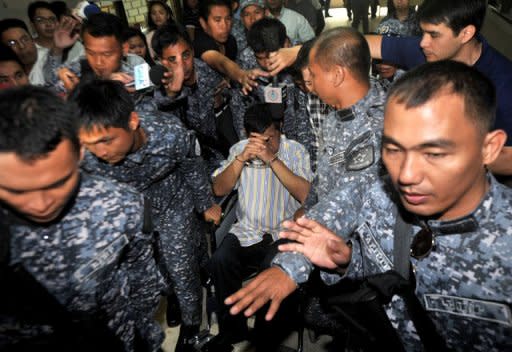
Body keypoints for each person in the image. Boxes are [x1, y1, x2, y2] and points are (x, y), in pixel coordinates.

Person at [226, 60, 512, 351]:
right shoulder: (377, 192)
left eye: (434, 153)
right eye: (393, 149)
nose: (407, 174)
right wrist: (345, 262)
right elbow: (337, 228)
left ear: (488, 148)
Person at [0, 86, 165, 351]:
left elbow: (143, 281)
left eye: (59, 182)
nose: (41, 204)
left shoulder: (122, 207)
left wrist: (144, 336)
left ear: (79, 153)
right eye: (17, 190)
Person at [70, 79, 221, 352]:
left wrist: (205, 203)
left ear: (132, 121)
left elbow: (192, 165)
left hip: (174, 202)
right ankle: (172, 295)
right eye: (90, 144)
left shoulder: (170, 132)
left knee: (181, 268)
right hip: (134, 215)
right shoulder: (88, 159)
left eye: (106, 140)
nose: (100, 152)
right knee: (156, 275)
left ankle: (190, 326)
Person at [206, 103, 312, 351]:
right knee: (220, 260)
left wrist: (272, 158)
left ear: (280, 129)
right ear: (246, 135)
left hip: (282, 231)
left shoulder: (295, 151)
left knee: (270, 270)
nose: (264, 145)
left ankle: (264, 340)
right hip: (248, 230)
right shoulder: (239, 150)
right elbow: (218, 189)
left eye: (270, 139)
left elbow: (307, 195)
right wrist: (241, 159)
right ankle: (233, 331)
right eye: (257, 140)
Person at [365, 0, 512, 177]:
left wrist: (443, 157)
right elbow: (366, 44)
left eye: (433, 35)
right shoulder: (429, 50)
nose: (423, 43)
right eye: (423, 33)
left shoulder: (504, 84)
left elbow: (508, 159)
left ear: (466, 33)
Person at [302, 27, 386, 210]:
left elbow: (352, 201)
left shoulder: (376, 127)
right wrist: (307, 206)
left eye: (314, 75)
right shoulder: (335, 118)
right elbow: (324, 174)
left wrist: (307, 225)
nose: (311, 84)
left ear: (337, 75)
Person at [148, 23, 235, 172]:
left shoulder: (209, 71)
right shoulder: (159, 91)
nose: (182, 65)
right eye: (172, 60)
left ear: (192, 51)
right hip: (190, 166)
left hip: (223, 150)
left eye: (185, 55)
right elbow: (160, 102)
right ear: (162, 62)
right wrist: (172, 93)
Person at [233, 18, 315, 160]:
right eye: (260, 58)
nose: (267, 63)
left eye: (271, 56)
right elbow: (241, 108)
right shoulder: (246, 61)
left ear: (286, 43)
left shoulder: (303, 56)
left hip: (301, 123)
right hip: (267, 133)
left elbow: (308, 112)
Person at [45, 12, 146, 96]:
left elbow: (153, 100)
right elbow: (49, 86)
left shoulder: (137, 69)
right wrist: (57, 49)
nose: (98, 62)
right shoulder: (79, 68)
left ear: (124, 49)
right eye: (91, 53)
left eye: (107, 54)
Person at [195, 0, 268, 95]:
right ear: (203, 23)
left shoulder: (231, 41)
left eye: (228, 19)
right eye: (217, 20)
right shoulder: (201, 43)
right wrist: (241, 75)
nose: (224, 26)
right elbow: (220, 62)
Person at [0, 18, 47, 85]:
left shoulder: (52, 59)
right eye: (12, 43)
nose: (21, 46)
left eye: (25, 39)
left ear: (33, 39)